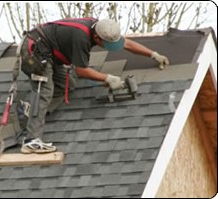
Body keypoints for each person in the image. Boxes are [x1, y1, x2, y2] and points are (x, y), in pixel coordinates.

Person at [10, 18, 169, 154]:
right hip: (35, 51)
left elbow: (126, 44)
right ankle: (31, 141)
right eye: (105, 44)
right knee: (44, 89)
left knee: (66, 85)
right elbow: (81, 71)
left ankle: (29, 110)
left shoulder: (102, 28)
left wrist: (153, 54)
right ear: (96, 38)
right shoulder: (82, 38)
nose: (107, 47)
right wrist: (108, 78)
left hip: (50, 51)